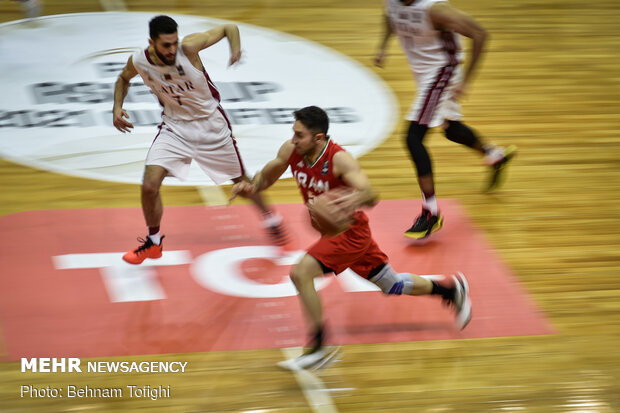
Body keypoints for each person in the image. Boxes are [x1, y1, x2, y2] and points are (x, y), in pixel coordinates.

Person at [231, 106, 472, 370]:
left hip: (349, 233)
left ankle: (320, 346)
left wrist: (348, 199)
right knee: (391, 284)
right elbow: (268, 175)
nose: (294, 139)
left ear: (319, 138)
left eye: (299, 135)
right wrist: (251, 187)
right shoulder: (292, 150)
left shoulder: (339, 159)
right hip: (339, 234)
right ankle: (450, 290)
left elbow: (370, 193)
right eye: (293, 133)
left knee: (301, 274)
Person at [113, 15, 287, 265]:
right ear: (151, 42)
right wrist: (117, 107)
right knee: (150, 186)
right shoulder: (139, 60)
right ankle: (153, 243)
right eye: (166, 45)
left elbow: (230, 27)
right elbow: (123, 79)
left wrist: (235, 48)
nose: (173, 49)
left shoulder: (189, 48)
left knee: (243, 183)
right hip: (175, 127)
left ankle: (272, 220)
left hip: (211, 126)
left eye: (174, 42)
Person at [374, 0, 517, 240]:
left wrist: (467, 80)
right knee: (451, 129)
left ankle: (430, 212)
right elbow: (390, 15)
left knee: (413, 138)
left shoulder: (435, 9)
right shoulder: (392, 2)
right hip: (423, 73)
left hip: (443, 71)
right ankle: (495, 155)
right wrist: (383, 45)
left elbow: (480, 34)